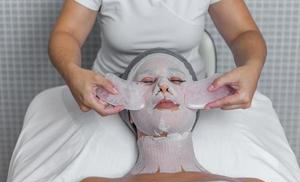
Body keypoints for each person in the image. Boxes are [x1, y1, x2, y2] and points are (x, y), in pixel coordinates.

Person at [67, 49, 279, 182]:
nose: (164, 86)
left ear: (197, 105)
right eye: (147, 81)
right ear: (129, 114)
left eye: (177, 80)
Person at [48, 0, 267, 114]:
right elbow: (67, 34)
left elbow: (243, 33)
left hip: (187, 101)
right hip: (113, 100)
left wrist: (252, 66)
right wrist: (72, 72)